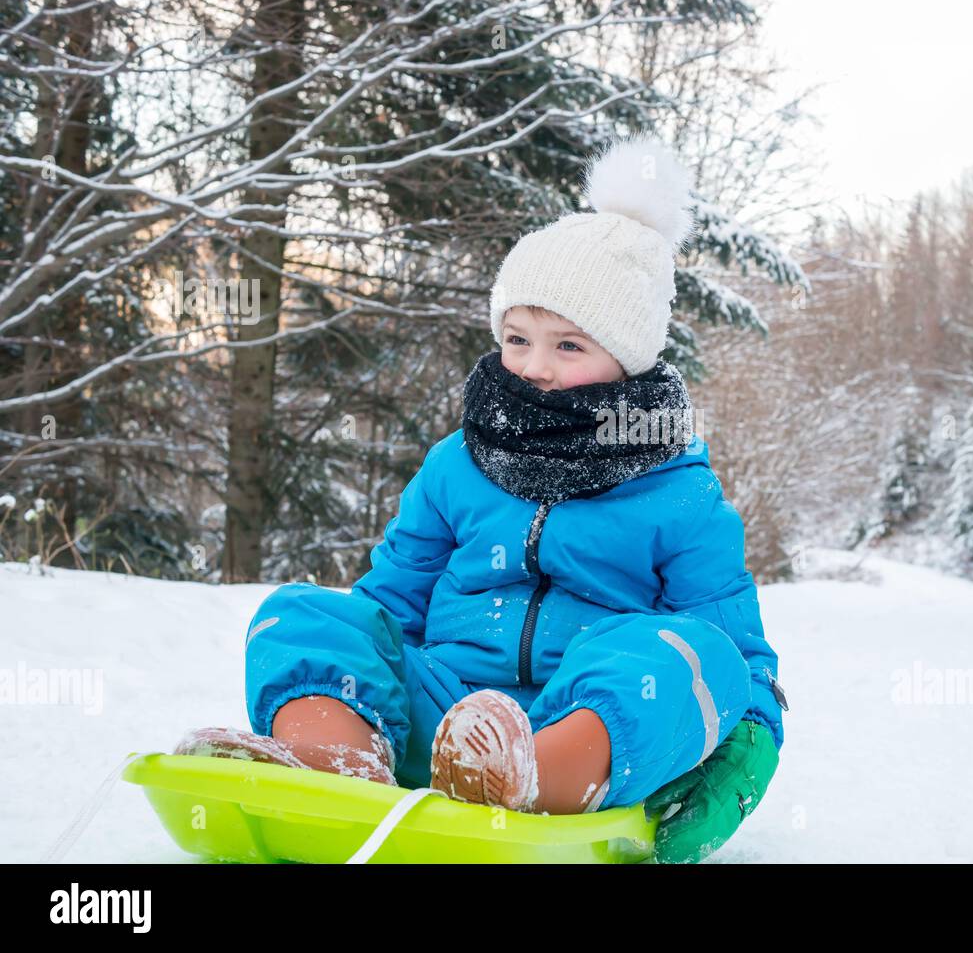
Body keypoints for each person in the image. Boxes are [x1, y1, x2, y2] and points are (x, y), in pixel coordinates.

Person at [176, 133, 787, 862]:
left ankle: (527, 778)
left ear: (627, 360)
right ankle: (335, 764)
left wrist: (748, 747)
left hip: (591, 732)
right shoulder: (458, 465)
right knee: (307, 614)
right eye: (518, 337)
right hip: (445, 719)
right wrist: (356, 678)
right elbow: (389, 608)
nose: (534, 367)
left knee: (695, 657)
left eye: (569, 346)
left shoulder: (677, 494)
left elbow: (738, 655)